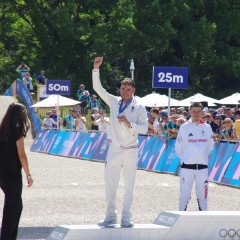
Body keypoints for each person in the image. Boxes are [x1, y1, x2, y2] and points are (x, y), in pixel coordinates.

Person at [92, 57, 148, 227]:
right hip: (114, 148)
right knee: (110, 184)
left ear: (133, 90)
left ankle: (126, 217)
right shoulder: (114, 101)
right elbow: (98, 88)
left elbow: (145, 129)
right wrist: (96, 69)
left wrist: (129, 124)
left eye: (128, 89)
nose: (125, 91)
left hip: (131, 149)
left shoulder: (139, 106)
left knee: (129, 185)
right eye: (123, 88)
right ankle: (110, 216)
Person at [0, 103, 33, 240]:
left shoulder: (1, 130)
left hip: (2, 175)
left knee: (15, 207)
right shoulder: (17, 132)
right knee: (13, 209)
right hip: (13, 175)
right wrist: (28, 174)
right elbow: (22, 156)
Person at [175, 102, 214, 211]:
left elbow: (210, 146)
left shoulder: (207, 128)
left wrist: (202, 157)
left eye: (198, 112)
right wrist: (185, 159)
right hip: (187, 168)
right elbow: (178, 146)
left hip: (202, 168)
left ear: (202, 113)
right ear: (190, 113)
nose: (196, 114)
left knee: (203, 198)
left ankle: (204, 223)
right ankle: (180, 222)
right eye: (194, 112)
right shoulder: (184, 127)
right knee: (184, 197)